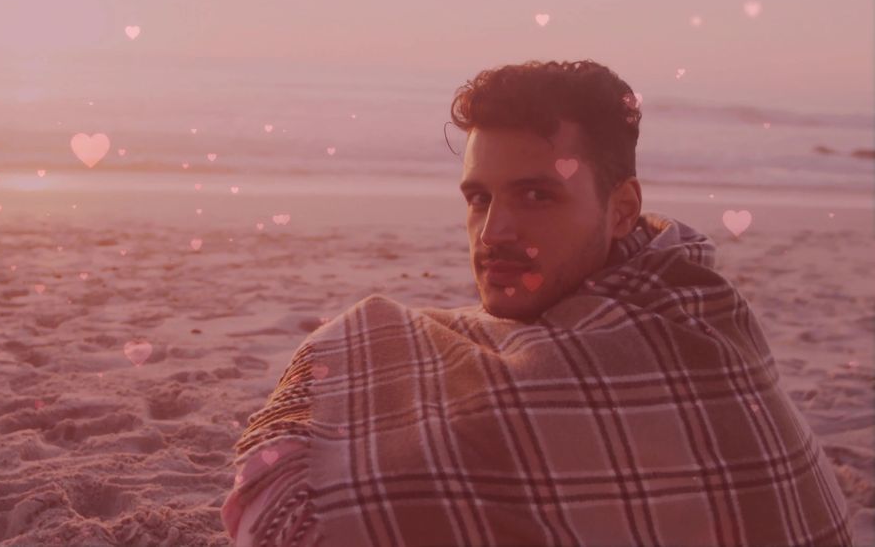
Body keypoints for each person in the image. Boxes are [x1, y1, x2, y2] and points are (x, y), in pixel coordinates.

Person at [221, 60, 853, 547]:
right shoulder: (553, 343)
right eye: (478, 198)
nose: (494, 232)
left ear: (623, 209)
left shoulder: (696, 335)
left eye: (537, 196)